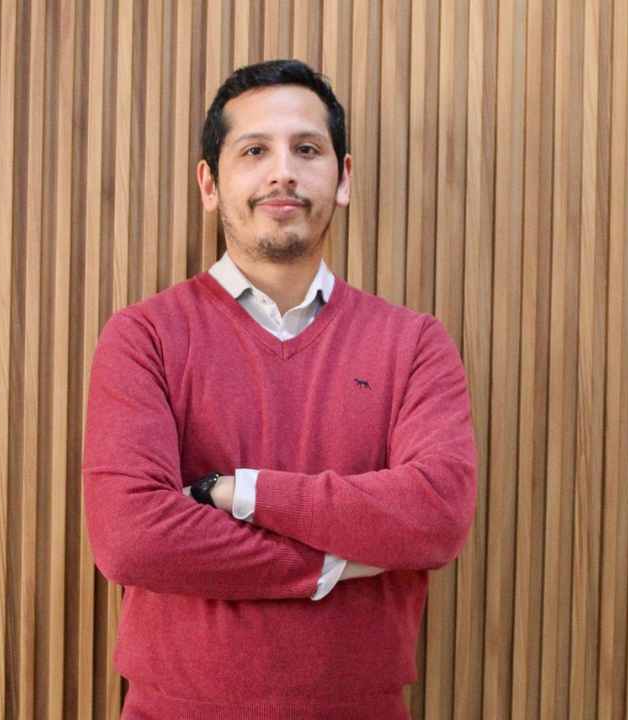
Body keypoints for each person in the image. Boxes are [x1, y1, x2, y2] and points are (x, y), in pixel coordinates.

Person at [83, 59, 477, 720]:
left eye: (307, 150)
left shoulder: (413, 343)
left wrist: (239, 492)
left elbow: (435, 516)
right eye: (254, 151)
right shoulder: (144, 336)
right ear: (209, 184)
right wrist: (331, 563)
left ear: (342, 178)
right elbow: (131, 538)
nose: (282, 172)